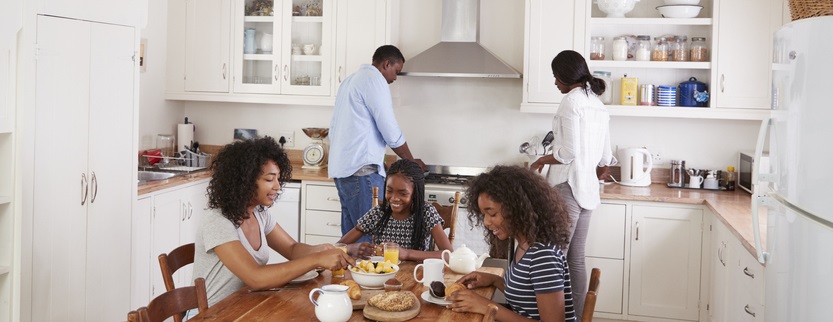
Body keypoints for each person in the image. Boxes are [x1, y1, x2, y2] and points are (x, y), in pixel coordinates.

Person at [190, 137, 355, 310]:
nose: (278, 186)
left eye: (278, 178)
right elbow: (256, 277)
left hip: (245, 307)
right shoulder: (217, 221)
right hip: (215, 314)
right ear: (244, 182)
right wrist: (316, 259)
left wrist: (322, 250)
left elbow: (291, 248)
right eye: (270, 179)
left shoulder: (259, 214)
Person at [530, 49, 617, 320]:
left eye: (556, 76)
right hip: (588, 190)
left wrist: (539, 161)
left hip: (567, 186)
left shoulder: (571, 102)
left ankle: (550, 317)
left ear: (566, 75)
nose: (555, 82)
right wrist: (593, 167)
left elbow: (567, 153)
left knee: (553, 260)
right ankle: (575, 318)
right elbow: (606, 158)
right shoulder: (598, 105)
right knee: (575, 260)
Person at [448, 165, 575, 322]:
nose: (486, 222)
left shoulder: (543, 257)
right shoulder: (523, 243)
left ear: (516, 208)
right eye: (483, 215)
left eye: (492, 213)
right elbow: (527, 297)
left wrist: (487, 306)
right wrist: (494, 280)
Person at [328, 45, 425, 243]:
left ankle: (350, 275)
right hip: (361, 174)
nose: (395, 78)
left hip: (344, 172)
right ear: (386, 64)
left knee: (350, 242)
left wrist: (380, 163)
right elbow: (389, 128)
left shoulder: (350, 81)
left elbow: (342, 129)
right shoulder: (374, 80)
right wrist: (410, 161)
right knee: (368, 241)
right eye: (396, 71)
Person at [337, 159, 452, 262]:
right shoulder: (379, 213)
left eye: (403, 193)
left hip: (416, 277)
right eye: (389, 191)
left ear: (415, 194)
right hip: (382, 276)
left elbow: (449, 255)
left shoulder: (426, 212)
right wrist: (352, 248)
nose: (394, 198)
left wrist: (406, 253)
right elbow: (337, 247)